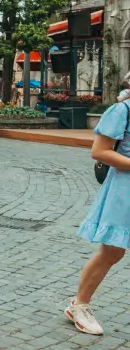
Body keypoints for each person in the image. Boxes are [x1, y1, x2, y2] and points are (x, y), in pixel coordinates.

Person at [65, 100, 130, 336]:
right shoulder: (123, 110)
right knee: (113, 251)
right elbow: (99, 151)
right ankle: (79, 305)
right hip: (125, 189)